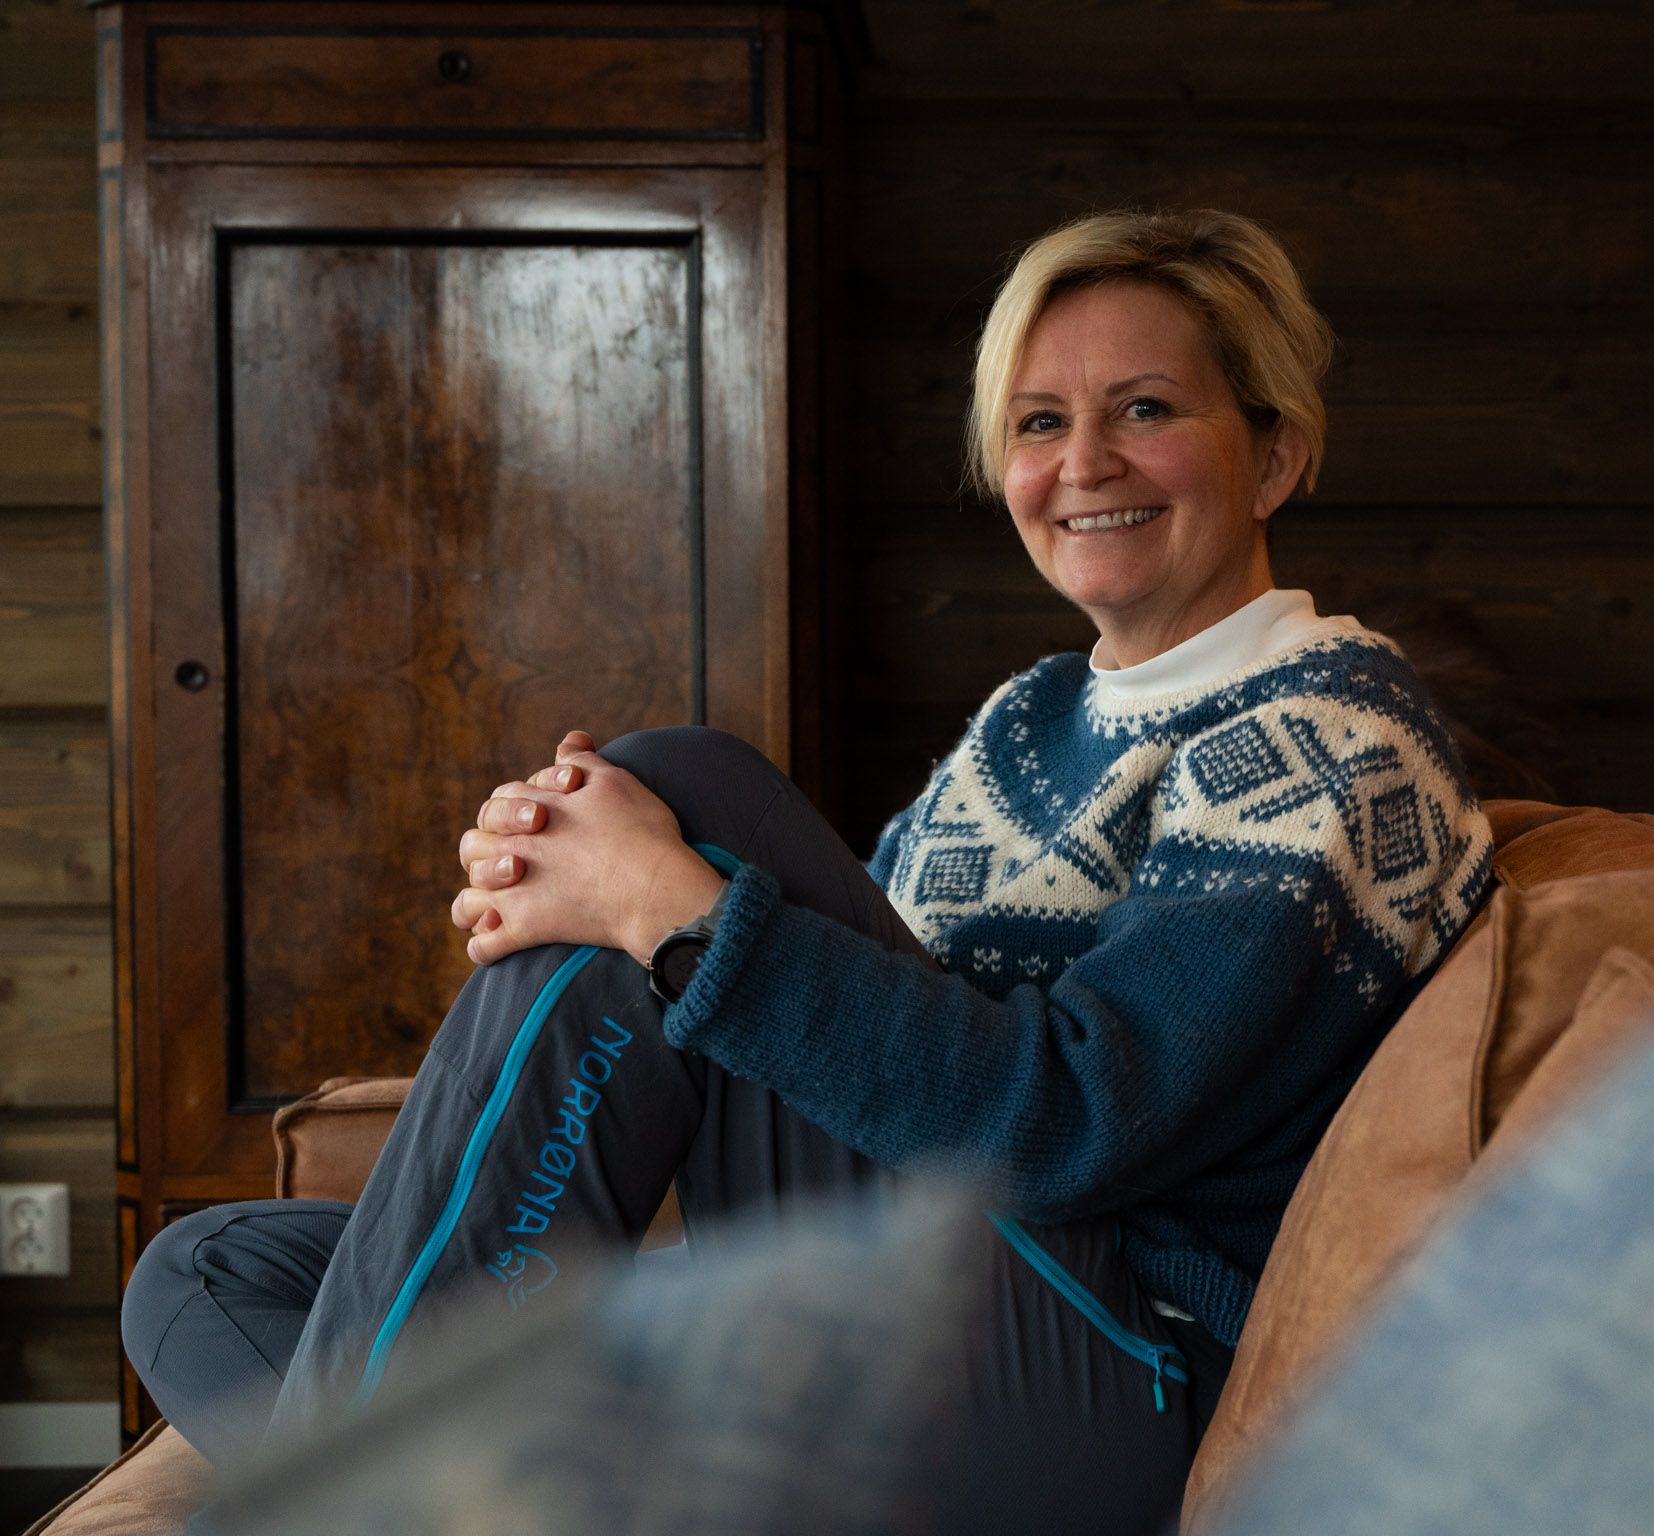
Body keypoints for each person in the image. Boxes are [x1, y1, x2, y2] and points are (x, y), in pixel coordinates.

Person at [120, 208, 1495, 1531]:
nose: (1085, 462)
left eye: (1145, 408)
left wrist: (665, 907)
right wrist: (585, 883)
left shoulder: (1330, 736)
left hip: (1124, 1371)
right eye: (1038, 422)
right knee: (210, 1270)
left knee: (685, 792)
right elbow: (829, 1035)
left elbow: (1071, 1125)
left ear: (1274, 456)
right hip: (928, 1289)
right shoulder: (1029, 721)